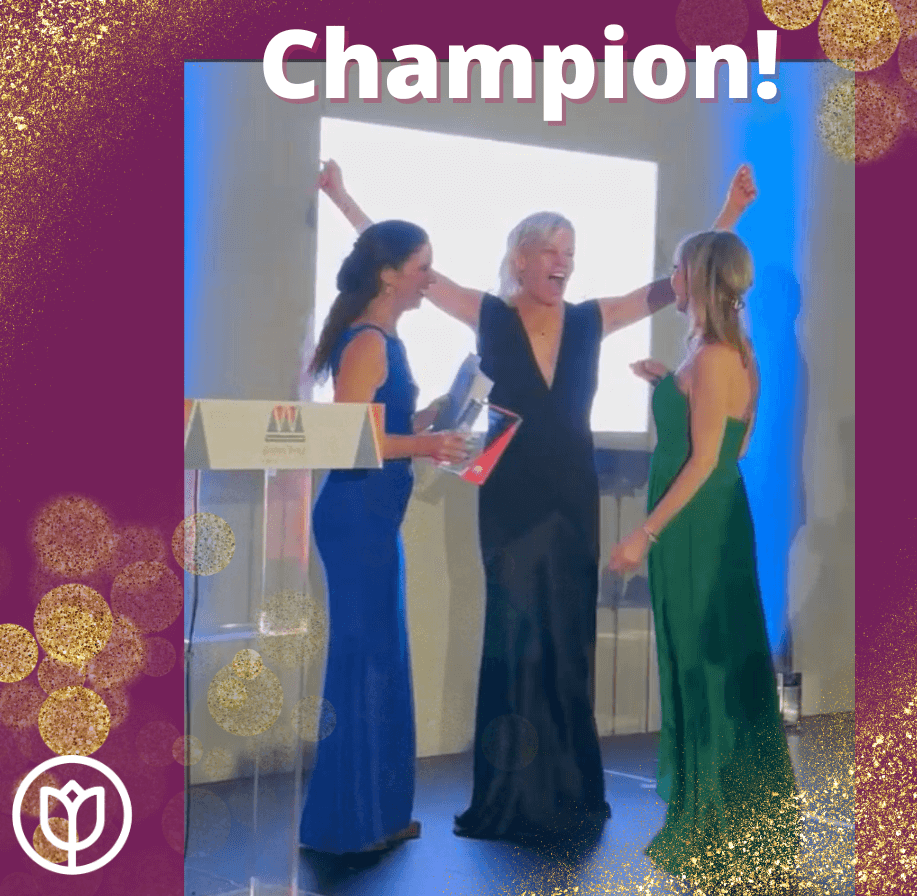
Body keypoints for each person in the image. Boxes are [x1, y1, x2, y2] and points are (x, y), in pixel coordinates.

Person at [316, 159, 757, 845]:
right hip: (511, 505)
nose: (564, 264)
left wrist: (728, 214)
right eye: (552, 251)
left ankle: (572, 791)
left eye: (571, 253)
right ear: (519, 259)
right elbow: (401, 266)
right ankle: (509, 796)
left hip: (573, 501)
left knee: (569, 644)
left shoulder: (588, 320)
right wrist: (344, 198)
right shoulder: (487, 314)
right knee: (517, 641)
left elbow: (671, 284)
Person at [609, 230, 801, 891]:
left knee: (706, 669)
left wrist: (646, 534)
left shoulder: (721, 354)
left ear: (700, 276)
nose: (671, 277)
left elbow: (711, 459)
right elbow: (731, 444)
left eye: (678, 268)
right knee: (700, 664)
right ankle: (722, 809)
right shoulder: (718, 351)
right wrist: (673, 383)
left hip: (697, 527)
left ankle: (719, 820)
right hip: (707, 520)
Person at [299, 221, 469, 855]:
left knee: (380, 661)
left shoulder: (382, 338)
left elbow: (385, 424)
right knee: (364, 663)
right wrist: (425, 443)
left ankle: (375, 814)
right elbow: (349, 439)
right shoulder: (368, 342)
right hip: (356, 518)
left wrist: (435, 417)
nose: (430, 280)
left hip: (373, 517)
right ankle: (349, 823)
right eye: (423, 268)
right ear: (390, 274)